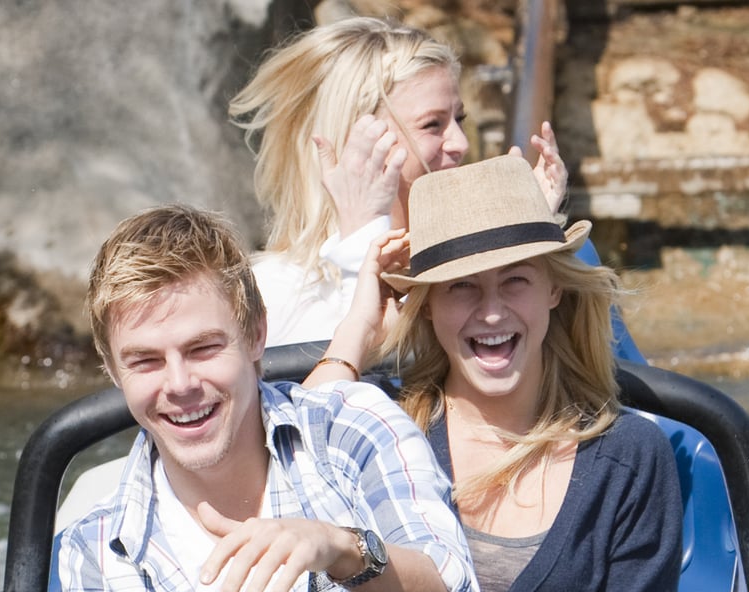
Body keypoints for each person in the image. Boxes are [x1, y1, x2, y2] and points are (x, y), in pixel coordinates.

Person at [307, 155, 683, 592]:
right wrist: (356, 329)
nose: (490, 312)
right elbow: (297, 450)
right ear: (425, 307)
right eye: (461, 287)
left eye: (515, 281)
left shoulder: (629, 456)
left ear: (555, 288)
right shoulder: (383, 428)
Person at [57, 203, 506, 592]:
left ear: (255, 336)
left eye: (203, 348)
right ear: (112, 369)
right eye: (145, 361)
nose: (178, 385)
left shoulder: (350, 430)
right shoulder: (96, 557)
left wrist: (340, 549)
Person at [229, 15, 569, 347]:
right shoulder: (277, 291)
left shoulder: (467, 257)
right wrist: (361, 245)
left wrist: (534, 236)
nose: (461, 144)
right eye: (432, 125)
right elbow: (339, 393)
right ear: (355, 143)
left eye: (459, 119)